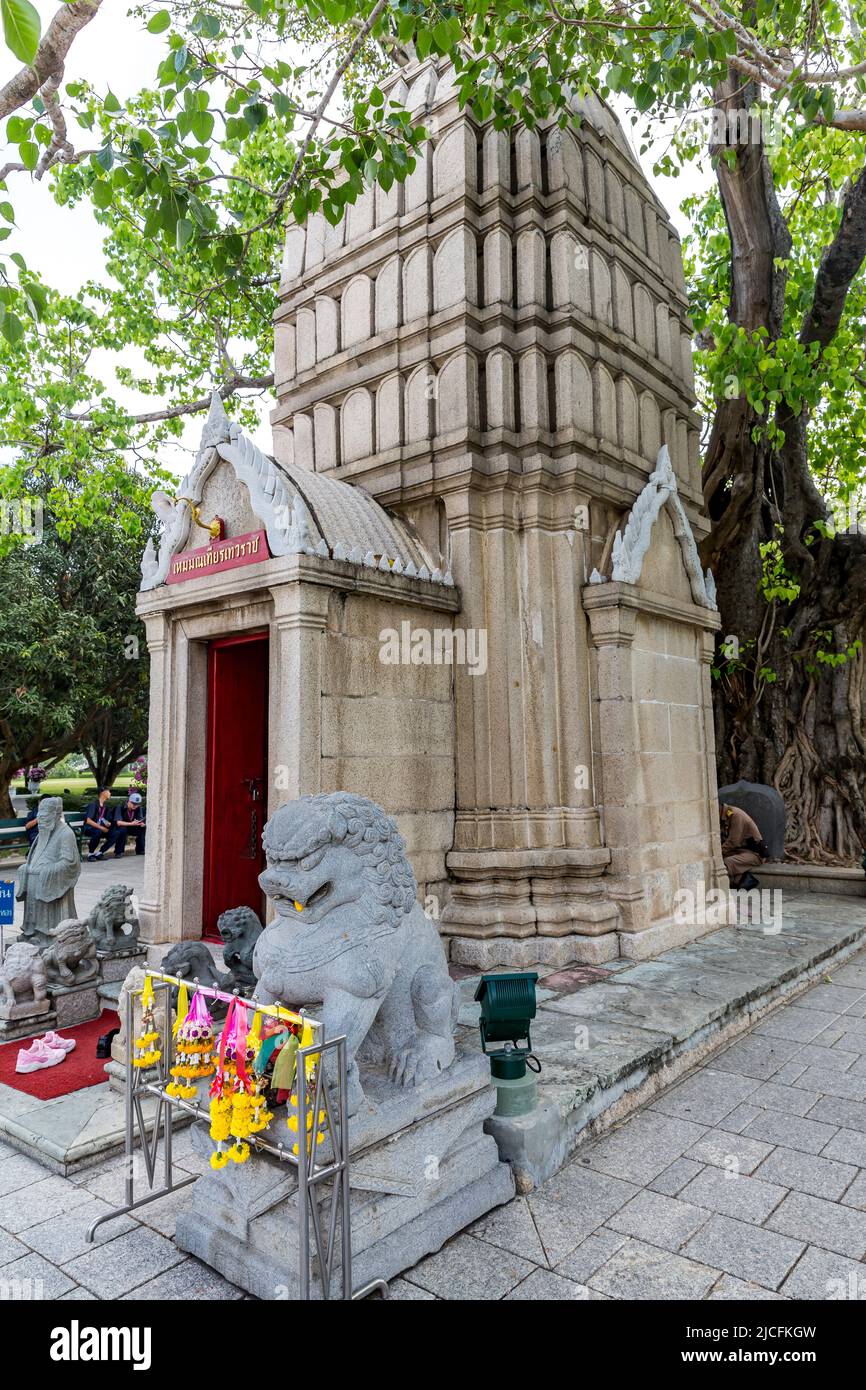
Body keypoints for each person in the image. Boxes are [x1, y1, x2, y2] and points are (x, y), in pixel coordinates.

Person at [16, 796, 81, 941]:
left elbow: (69, 863)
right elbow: (35, 856)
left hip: (49, 879)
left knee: (45, 904)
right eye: (39, 815)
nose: (41, 820)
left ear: (56, 815)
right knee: (32, 904)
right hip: (34, 879)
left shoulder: (66, 833)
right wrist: (27, 868)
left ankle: (45, 935)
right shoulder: (44, 833)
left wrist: (47, 870)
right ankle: (31, 932)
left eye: (45, 816)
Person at [719, 801, 769, 890]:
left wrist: (717, 854)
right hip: (739, 851)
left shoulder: (735, 815)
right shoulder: (724, 817)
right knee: (721, 860)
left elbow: (733, 842)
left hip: (754, 854)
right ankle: (741, 880)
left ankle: (721, 885)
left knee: (726, 862)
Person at [108, 790, 146, 857]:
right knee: (123, 829)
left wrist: (141, 823)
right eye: (134, 804)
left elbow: (140, 819)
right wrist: (132, 823)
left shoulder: (138, 808)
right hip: (118, 827)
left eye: (137, 804)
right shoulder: (120, 807)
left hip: (131, 826)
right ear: (129, 801)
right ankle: (119, 852)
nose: (135, 806)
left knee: (142, 828)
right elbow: (118, 822)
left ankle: (140, 850)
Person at [83, 787, 115, 861]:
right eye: (109, 792)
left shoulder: (105, 806)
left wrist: (108, 824)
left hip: (99, 829)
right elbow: (88, 821)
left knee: (115, 833)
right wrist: (102, 828)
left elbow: (104, 819)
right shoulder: (93, 805)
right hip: (89, 829)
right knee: (98, 831)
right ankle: (90, 854)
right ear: (103, 793)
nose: (110, 793)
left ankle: (100, 853)